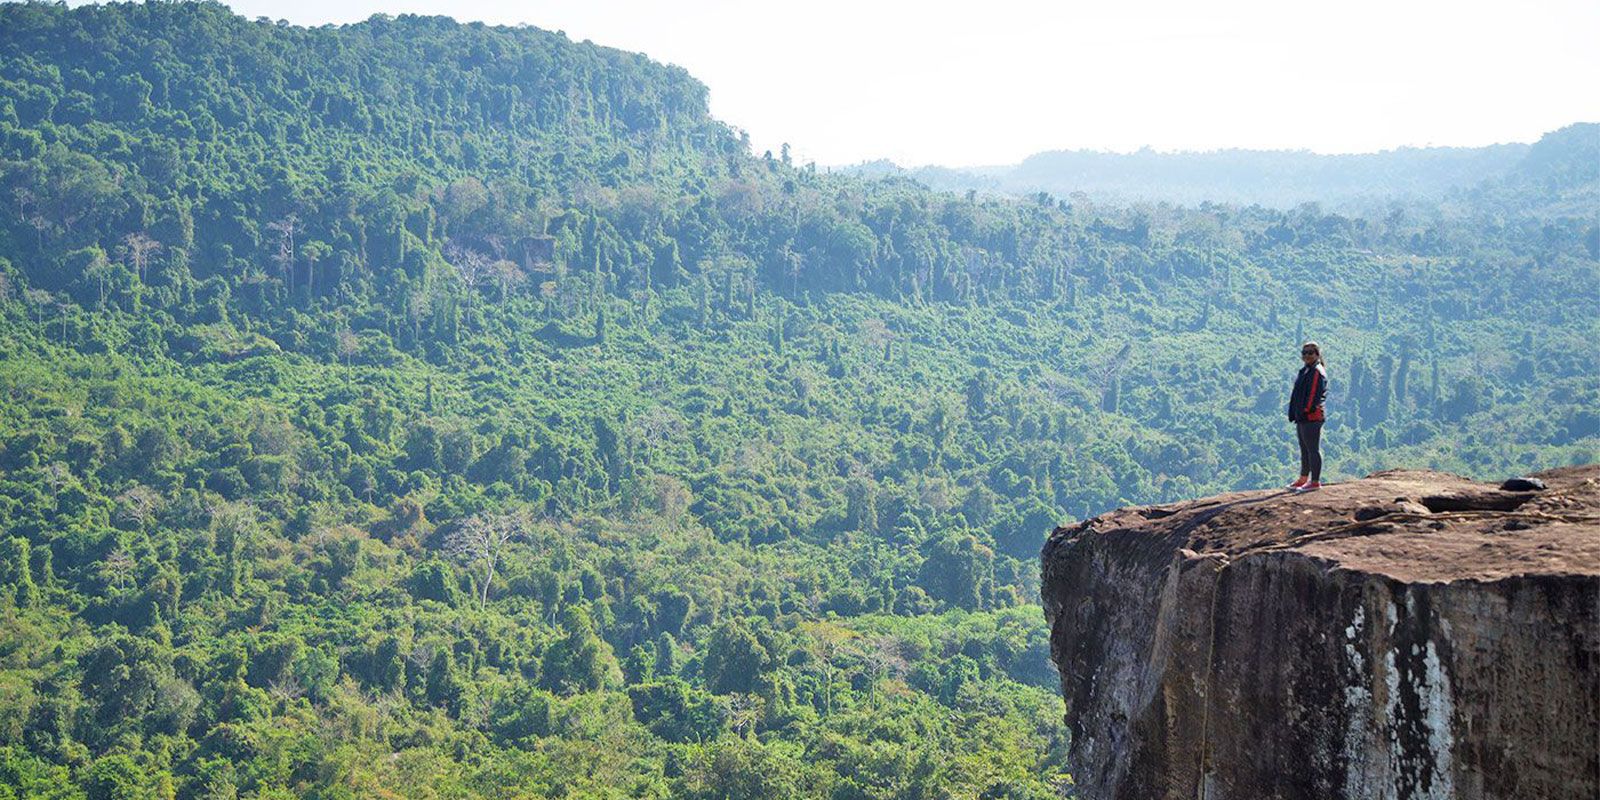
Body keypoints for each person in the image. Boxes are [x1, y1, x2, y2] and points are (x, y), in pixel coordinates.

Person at [1287, 341, 1328, 491]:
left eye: (1310, 352)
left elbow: (1313, 395)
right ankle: (1303, 478)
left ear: (1317, 354)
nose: (1307, 355)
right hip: (1302, 416)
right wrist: (1294, 412)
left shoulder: (1317, 371)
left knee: (1312, 449)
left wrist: (1306, 410)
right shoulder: (1305, 371)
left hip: (1312, 416)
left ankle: (1315, 481)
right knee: (1304, 448)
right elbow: (1296, 394)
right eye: (1304, 353)